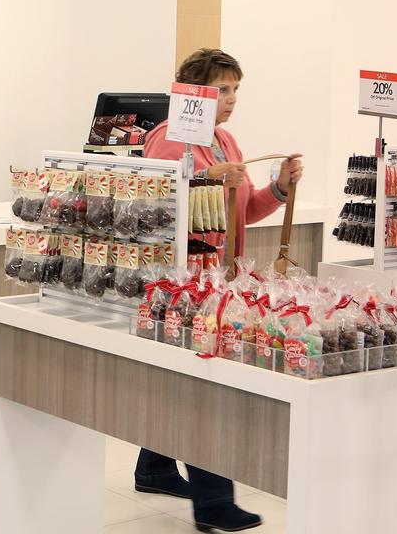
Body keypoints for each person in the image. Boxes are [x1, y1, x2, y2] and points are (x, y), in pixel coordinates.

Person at [134, 48, 303, 533]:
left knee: (187, 380)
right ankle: (213, 501)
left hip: (219, 280)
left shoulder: (225, 141)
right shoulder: (169, 138)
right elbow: (156, 203)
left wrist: (279, 189)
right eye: (222, 90)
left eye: (235, 90)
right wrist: (205, 177)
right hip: (181, 286)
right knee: (207, 384)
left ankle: (154, 468)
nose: (231, 99)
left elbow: (240, 212)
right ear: (195, 94)